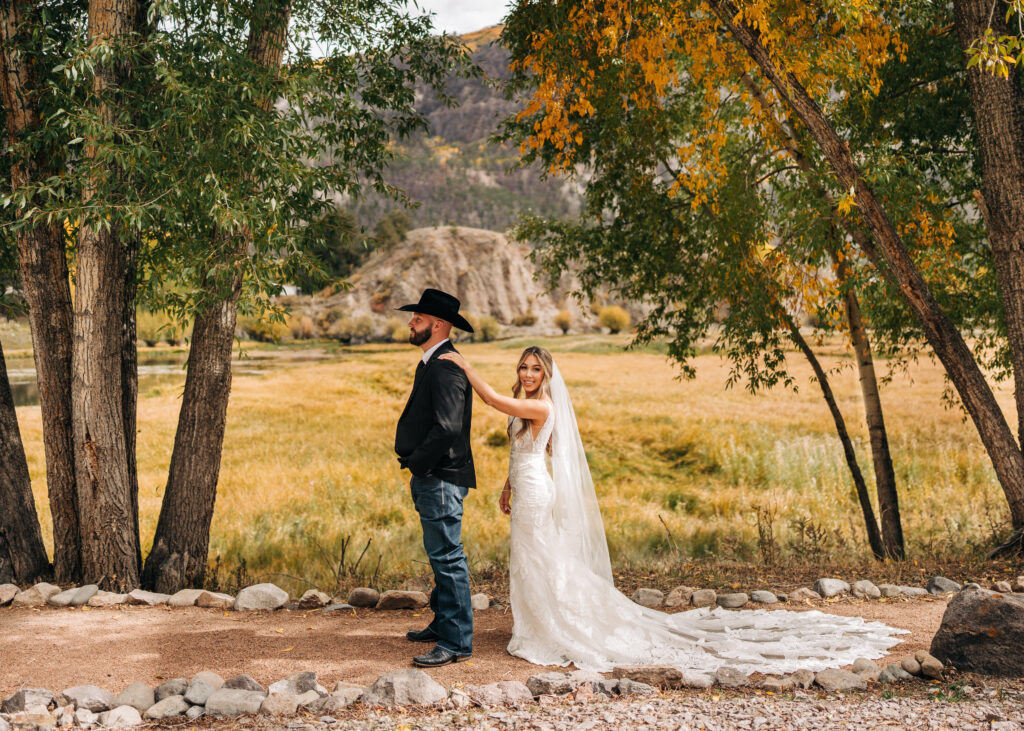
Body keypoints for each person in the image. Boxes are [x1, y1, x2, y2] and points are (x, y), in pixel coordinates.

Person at [439, 345, 906, 674]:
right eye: (523, 367)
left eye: (535, 369)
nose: (527, 375)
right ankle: (534, 623)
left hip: (539, 495)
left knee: (544, 558)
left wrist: (464, 365)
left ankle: (557, 626)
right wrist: (507, 487)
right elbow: (527, 451)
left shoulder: (541, 406)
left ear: (547, 376)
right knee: (529, 558)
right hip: (525, 488)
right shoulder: (525, 407)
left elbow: (492, 399)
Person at [394, 288, 476, 667]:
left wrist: (419, 464)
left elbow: (447, 427)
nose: (411, 323)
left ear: (438, 325)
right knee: (439, 554)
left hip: (440, 476)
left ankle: (456, 642)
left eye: (418, 318)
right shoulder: (433, 361)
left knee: (447, 556)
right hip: (436, 475)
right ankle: (444, 621)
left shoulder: (445, 366)